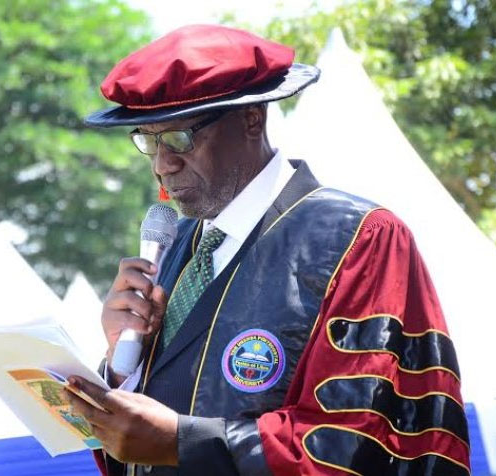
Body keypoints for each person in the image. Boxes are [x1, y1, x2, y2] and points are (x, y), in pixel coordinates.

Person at [67, 24, 471, 476]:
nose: (163, 164)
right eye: (148, 139)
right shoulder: (174, 248)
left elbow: (361, 439)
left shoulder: (359, 239)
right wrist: (123, 370)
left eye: (180, 137)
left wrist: (184, 443)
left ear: (251, 119)